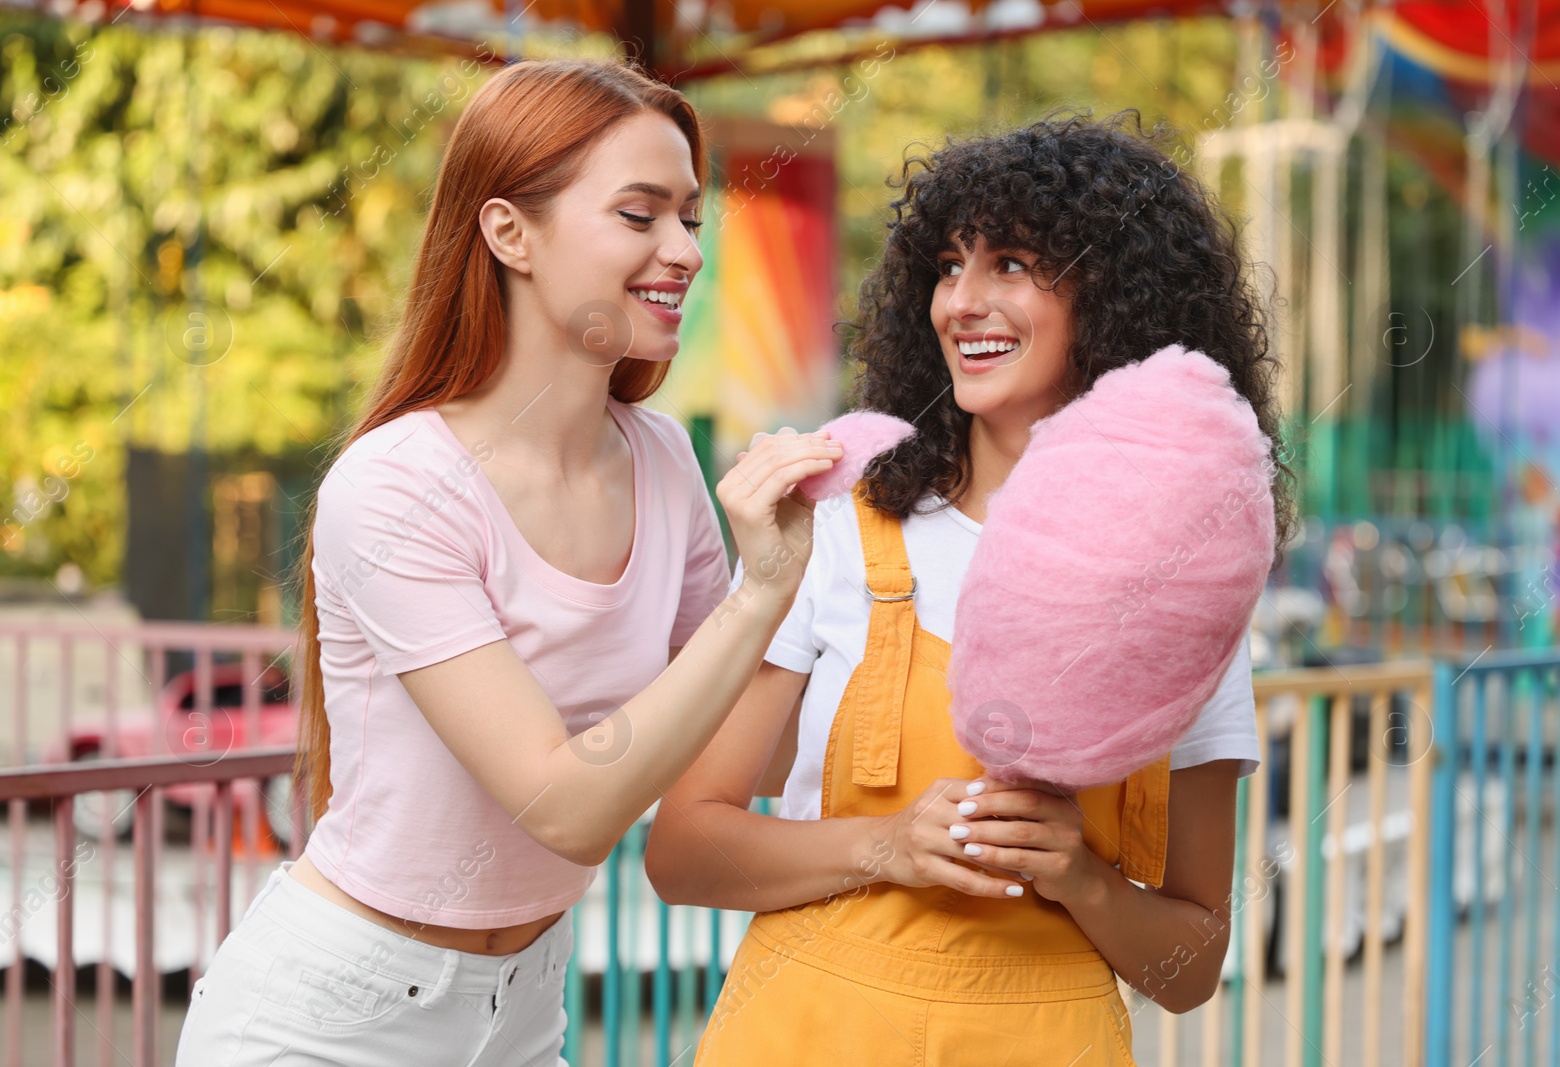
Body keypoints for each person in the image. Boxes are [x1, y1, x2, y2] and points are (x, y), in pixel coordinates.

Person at [175, 58, 842, 1067]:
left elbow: (759, 748)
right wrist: (759, 596)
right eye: (639, 214)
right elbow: (565, 806)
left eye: (690, 220)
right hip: (329, 1017)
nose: (684, 252)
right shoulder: (397, 484)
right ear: (508, 232)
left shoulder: (660, 459)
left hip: (523, 1010)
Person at [645, 112, 1295, 1066]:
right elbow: (685, 851)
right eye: (949, 264)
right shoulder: (835, 520)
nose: (962, 301)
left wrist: (1083, 877)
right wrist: (883, 845)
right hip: (803, 1033)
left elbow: (1192, 966)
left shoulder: (1186, 574)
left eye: (1014, 265)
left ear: (1116, 298)